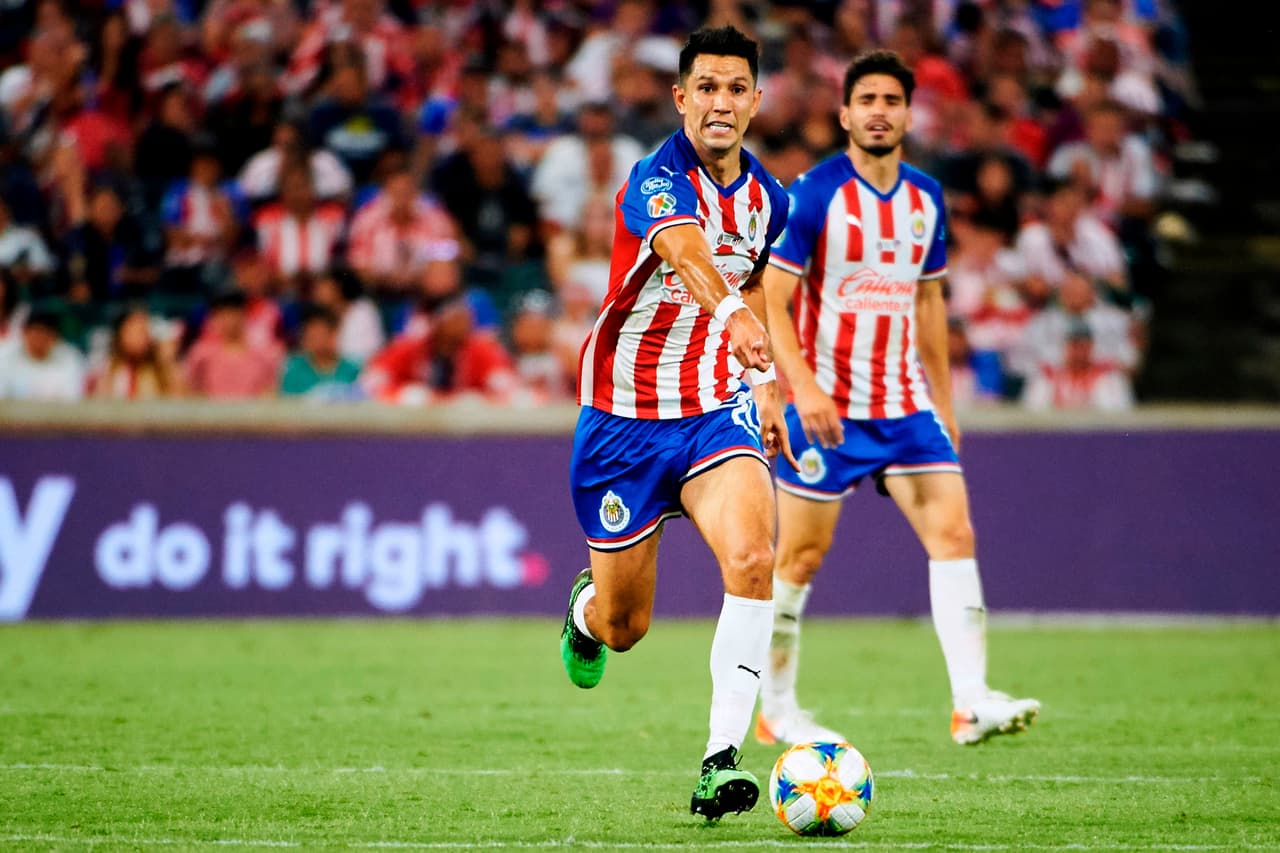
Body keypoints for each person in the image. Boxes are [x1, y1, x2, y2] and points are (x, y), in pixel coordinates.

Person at [757, 49, 1040, 749]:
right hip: (827, 409)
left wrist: (944, 401)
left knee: (955, 535)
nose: (880, 111)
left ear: (909, 114)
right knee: (797, 561)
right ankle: (776, 707)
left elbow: (928, 301)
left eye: (892, 100)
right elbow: (773, 297)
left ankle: (970, 701)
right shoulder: (814, 193)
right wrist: (805, 386)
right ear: (845, 114)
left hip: (907, 405)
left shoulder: (925, 198)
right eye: (868, 100)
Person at [557, 26, 795, 822]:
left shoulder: (772, 199)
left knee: (756, 555)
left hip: (710, 412)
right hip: (621, 421)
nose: (721, 102)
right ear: (681, 98)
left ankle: (719, 760)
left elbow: (754, 282)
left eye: (737, 88)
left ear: (756, 101)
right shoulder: (653, 179)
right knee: (626, 627)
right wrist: (730, 312)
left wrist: (764, 379)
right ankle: (585, 612)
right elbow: (690, 252)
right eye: (707, 87)